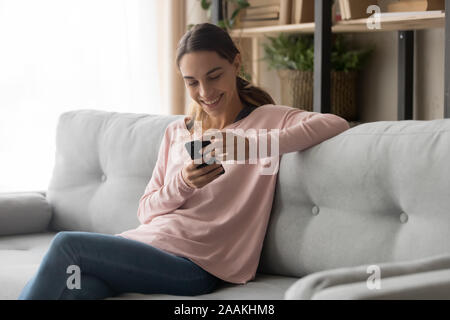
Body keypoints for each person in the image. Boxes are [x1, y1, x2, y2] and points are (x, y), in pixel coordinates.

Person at [18, 23, 350, 300]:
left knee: (67, 245)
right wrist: (183, 182)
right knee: (78, 291)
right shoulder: (178, 132)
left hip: (196, 265)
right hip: (144, 245)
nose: (205, 91)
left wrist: (248, 145)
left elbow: (334, 123)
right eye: (192, 82)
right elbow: (146, 210)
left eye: (214, 75)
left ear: (237, 64)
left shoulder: (265, 119)